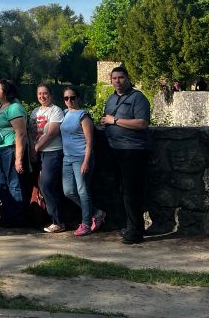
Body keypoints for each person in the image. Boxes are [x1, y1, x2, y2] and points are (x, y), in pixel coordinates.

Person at [102, 66, 151, 244]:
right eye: (114, 78)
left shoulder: (138, 98)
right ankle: (132, 226)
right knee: (123, 191)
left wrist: (114, 121)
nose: (118, 81)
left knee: (132, 192)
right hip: (114, 149)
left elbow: (142, 123)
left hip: (133, 150)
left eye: (121, 77)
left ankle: (135, 232)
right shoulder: (111, 99)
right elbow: (106, 119)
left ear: (128, 78)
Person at [62, 87, 105, 237]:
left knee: (82, 190)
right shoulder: (65, 113)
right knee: (68, 191)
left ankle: (86, 224)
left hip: (81, 157)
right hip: (67, 158)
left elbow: (89, 141)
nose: (69, 100)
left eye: (72, 97)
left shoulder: (83, 116)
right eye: (66, 98)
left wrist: (86, 161)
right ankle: (96, 212)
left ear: (78, 98)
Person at [0, 79, 29, 227]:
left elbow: (21, 133)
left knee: (14, 183)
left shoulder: (14, 108)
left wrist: (18, 159)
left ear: (6, 92)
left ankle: (18, 218)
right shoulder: (2, 106)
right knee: (1, 183)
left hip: (10, 149)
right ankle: (8, 215)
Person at [32, 84, 66, 233]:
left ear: (50, 95)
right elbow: (31, 131)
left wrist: (36, 147)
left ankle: (58, 222)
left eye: (45, 93)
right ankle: (47, 218)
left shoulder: (56, 110)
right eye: (39, 93)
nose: (42, 96)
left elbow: (52, 133)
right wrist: (33, 149)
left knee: (47, 186)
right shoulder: (35, 111)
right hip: (38, 153)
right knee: (41, 187)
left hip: (52, 152)